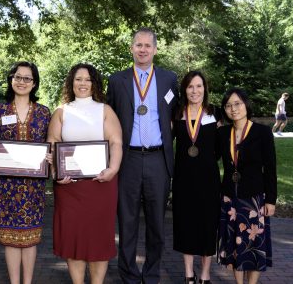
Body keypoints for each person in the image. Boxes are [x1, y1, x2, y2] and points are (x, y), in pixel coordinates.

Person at [107, 27, 178, 284]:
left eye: (148, 45)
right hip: (128, 160)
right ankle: (128, 275)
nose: (143, 49)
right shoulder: (117, 80)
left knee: (157, 225)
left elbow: (177, 117)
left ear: (155, 49)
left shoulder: (170, 79)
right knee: (127, 222)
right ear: (131, 48)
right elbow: (109, 120)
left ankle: (151, 274)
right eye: (139, 45)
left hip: (159, 160)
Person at [47, 63, 122, 284]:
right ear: (71, 82)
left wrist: (113, 169)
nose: (82, 83)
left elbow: (116, 142)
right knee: (73, 239)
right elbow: (53, 143)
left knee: (99, 239)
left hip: (101, 185)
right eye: (78, 79)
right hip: (69, 187)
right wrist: (56, 173)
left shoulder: (104, 110)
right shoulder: (62, 111)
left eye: (87, 79)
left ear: (94, 83)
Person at [0, 62, 51, 284]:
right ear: (11, 80)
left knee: (31, 237)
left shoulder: (43, 113)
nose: (22, 82)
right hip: (6, 184)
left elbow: (51, 143)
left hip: (33, 185)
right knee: (10, 237)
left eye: (27, 78)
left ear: (34, 83)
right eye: (17, 77)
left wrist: (51, 157)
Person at [217, 88, 277, 284]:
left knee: (254, 245)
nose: (233, 109)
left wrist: (271, 200)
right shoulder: (223, 132)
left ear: (246, 105)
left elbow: (270, 168)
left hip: (254, 199)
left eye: (237, 104)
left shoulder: (262, 132)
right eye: (228, 105)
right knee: (234, 246)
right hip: (229, 198)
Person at [172, 71, 222, 284]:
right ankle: (189, 273)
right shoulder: (176, 114)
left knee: (207, 224)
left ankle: (205, 273)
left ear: (205, 88)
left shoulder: (215, 113)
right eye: (191, 86)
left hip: (208, 179)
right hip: (184, 179)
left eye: (199, 86)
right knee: (186, 224)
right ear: (185, 89)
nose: (195, 91)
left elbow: (222, 147)